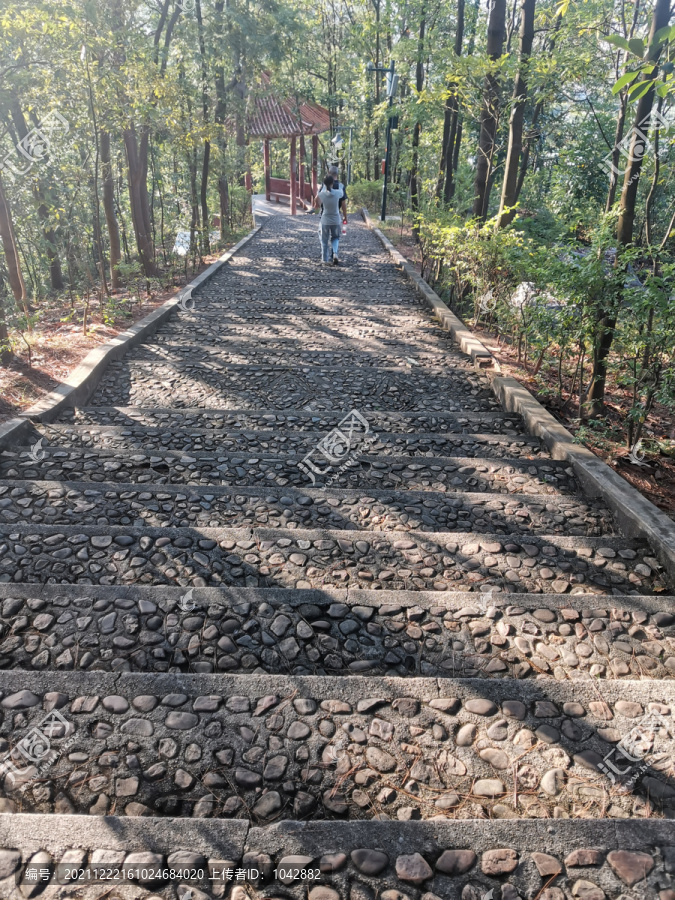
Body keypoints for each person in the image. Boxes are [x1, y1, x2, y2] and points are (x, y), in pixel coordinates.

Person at [314, 175, 343, 266]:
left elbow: (317, 199)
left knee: (324, 240)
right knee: (335, 237)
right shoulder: (338, 192)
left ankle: (325, 260)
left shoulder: (322, 194)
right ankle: (335, 252)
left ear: (324, 184)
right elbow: (342, 191)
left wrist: (322, 187)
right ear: (332, 183)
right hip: (336, 220)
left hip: (325, 220)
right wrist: (340, 185)